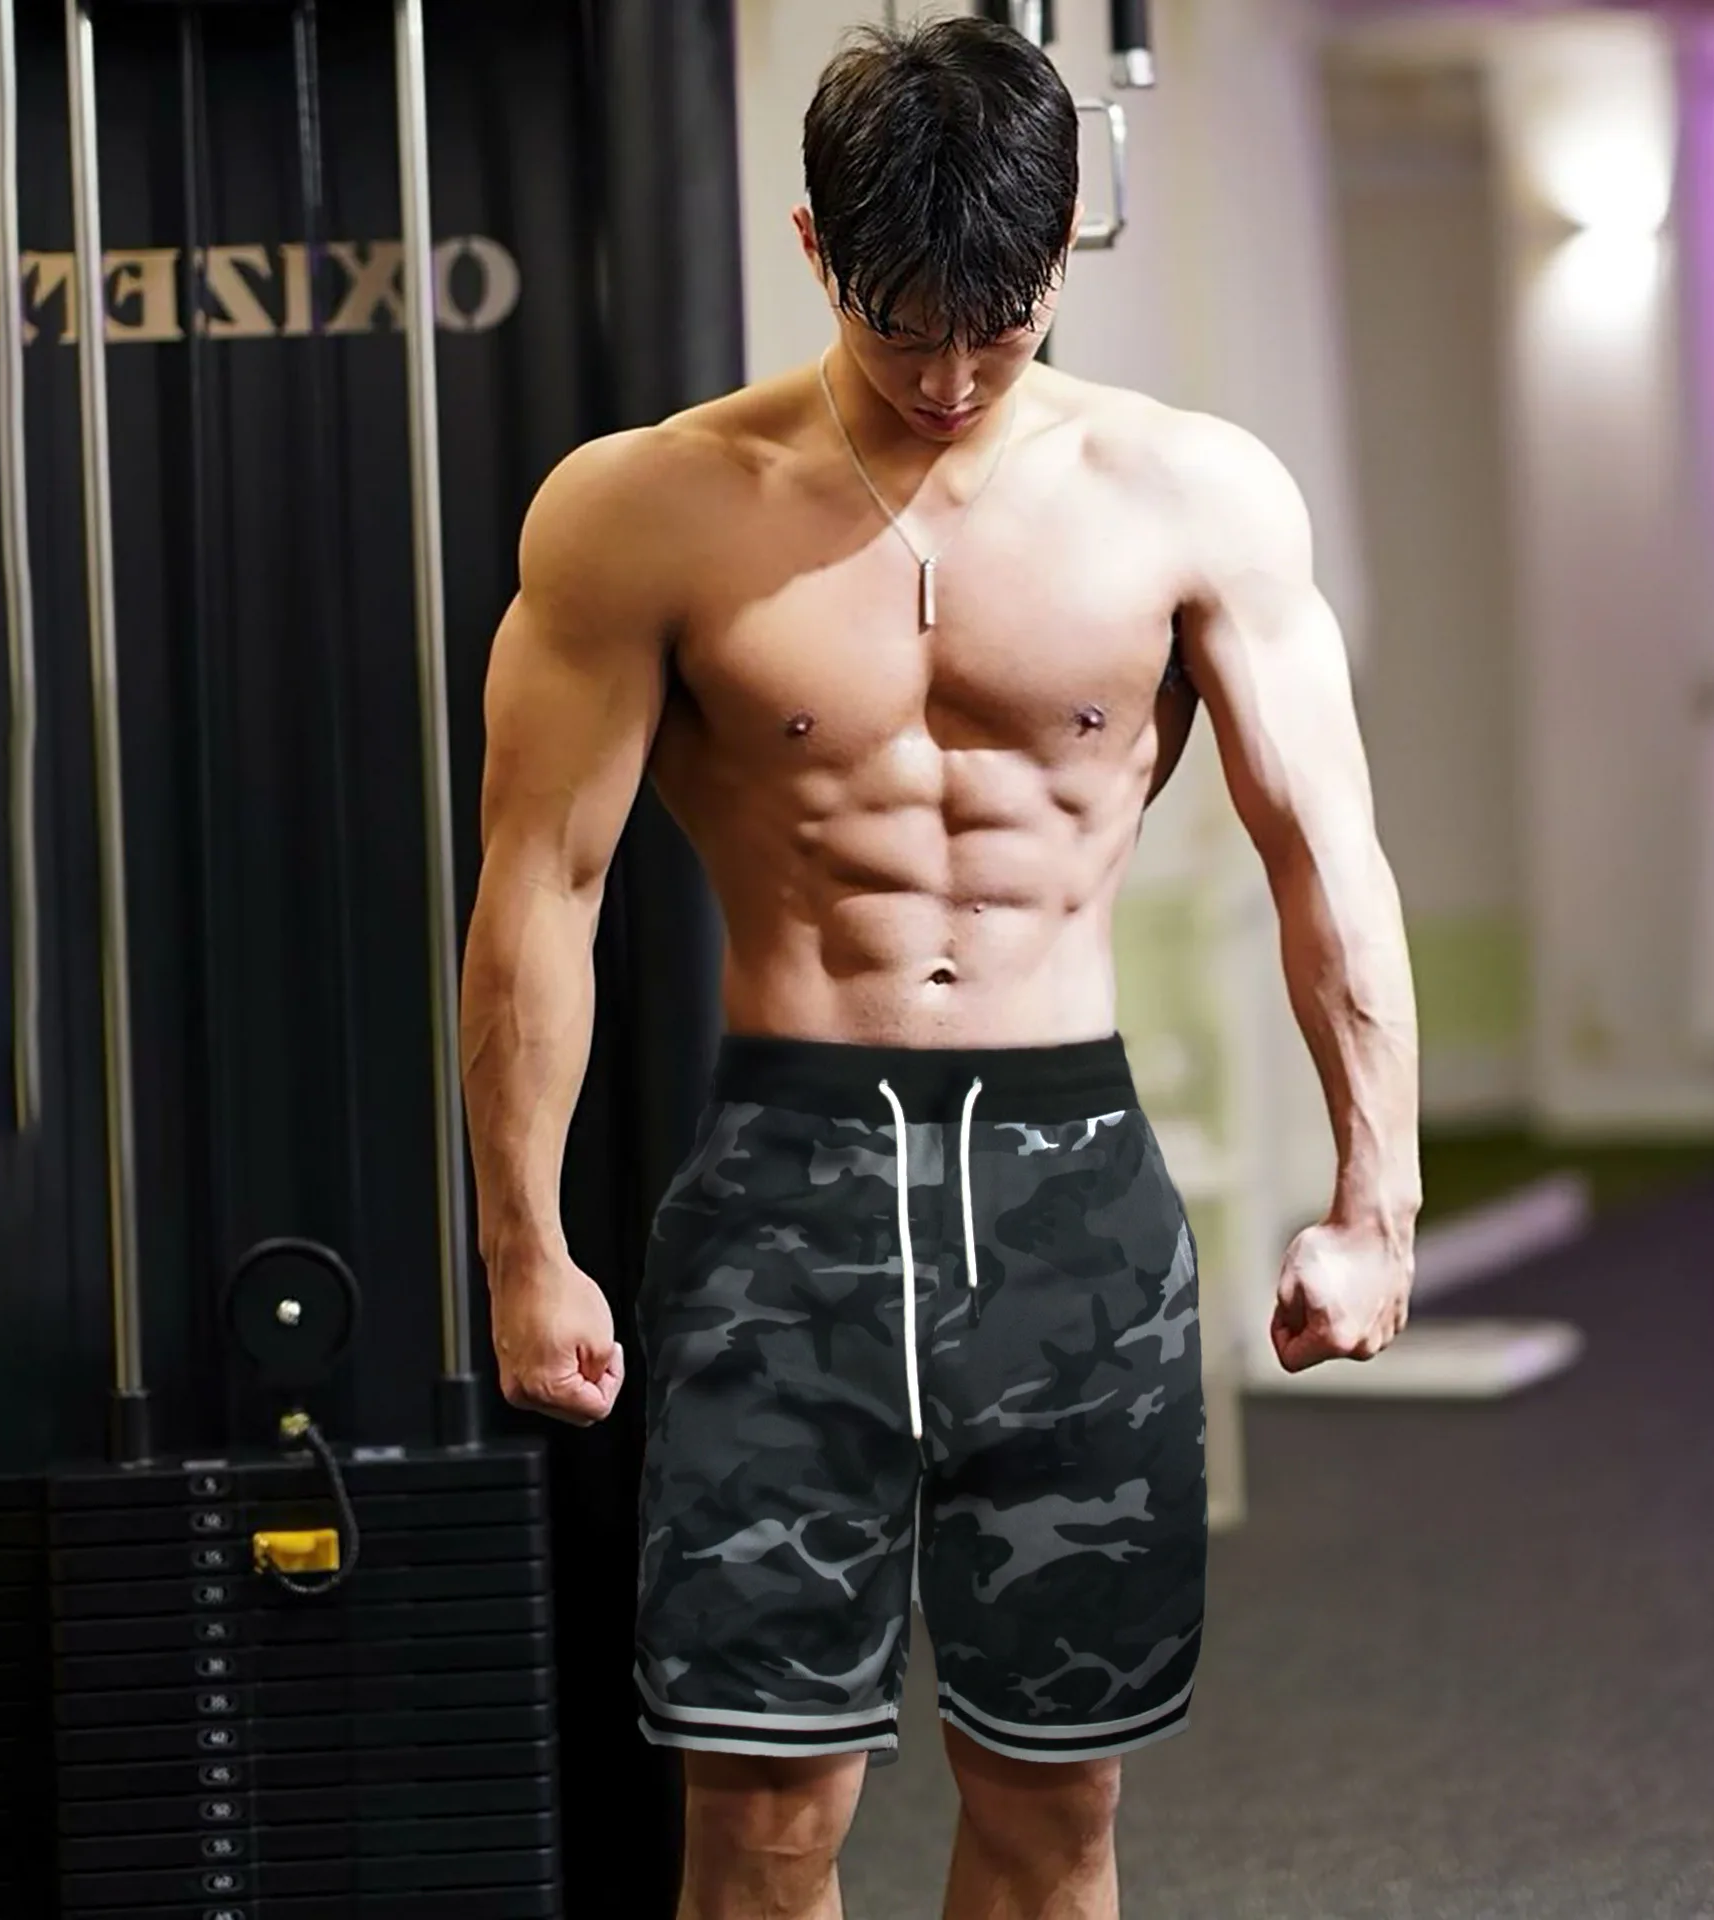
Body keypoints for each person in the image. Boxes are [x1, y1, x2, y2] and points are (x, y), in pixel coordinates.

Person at [459, 16, 1419, 1919]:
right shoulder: (645, 509)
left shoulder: (1194, 497)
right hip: (783, 1205)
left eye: (1001, 323)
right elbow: (539, 889)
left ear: (1064, 251)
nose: (954, 377)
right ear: (814, 249)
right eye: (905, 328)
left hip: (1073, 1215)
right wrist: (521, 1242)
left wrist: (1374, 1202)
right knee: (759, 1828)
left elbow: (1325, 858)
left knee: (1057, 1822)